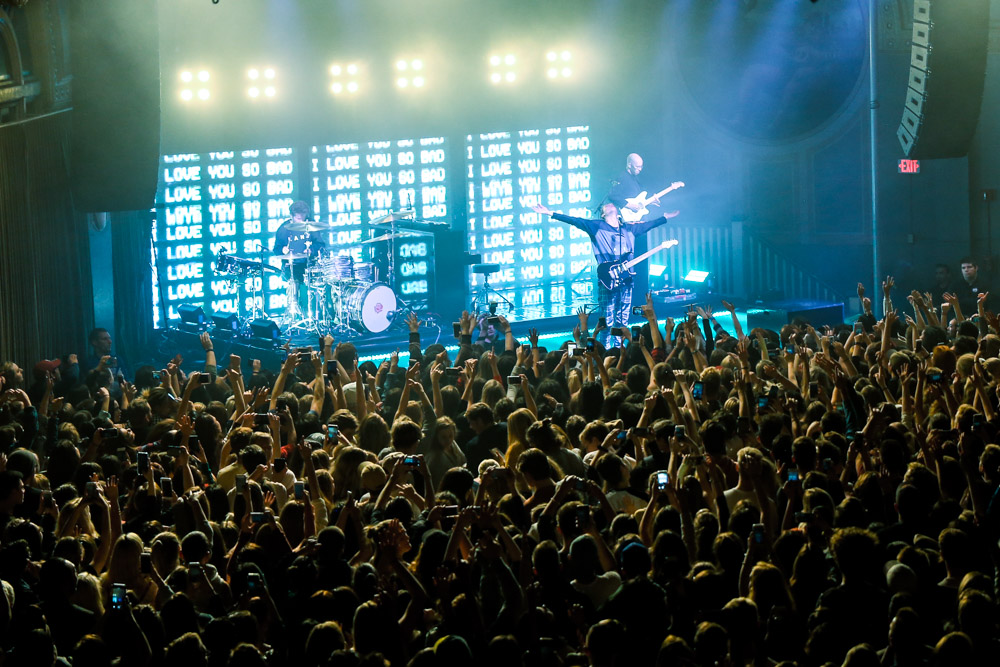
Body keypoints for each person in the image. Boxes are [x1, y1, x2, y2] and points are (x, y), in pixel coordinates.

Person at [532, 200, 679, 343]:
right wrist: (549, 213)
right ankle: (605, 350)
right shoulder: (596, 226)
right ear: (603, 214)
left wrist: (664, 217)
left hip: (626, 280)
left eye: (611, 204)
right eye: (605, 206)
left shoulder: (628, 228)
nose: (609, 205)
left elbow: (648, 225)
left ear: (617, 212)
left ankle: (619, 348)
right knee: (607, 319)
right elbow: (574, 220)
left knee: (623, 319)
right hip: (607, 280)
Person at [273, 200, 326, 317]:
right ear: (291, 216)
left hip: (310, 265)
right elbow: (276, 249)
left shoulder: (311, 225)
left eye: (303, 219)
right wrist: (283, 250)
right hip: (292, 266)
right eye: (298, 219)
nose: (301, 221)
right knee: (293, 284)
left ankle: (316, 317)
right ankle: (293, 316)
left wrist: (311, 250)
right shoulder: (284, 229)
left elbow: (321, 245)